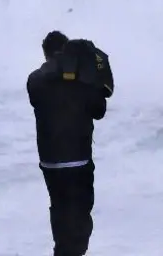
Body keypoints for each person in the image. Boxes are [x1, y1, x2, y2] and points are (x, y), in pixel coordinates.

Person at [27, 30, 109, 256]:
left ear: (45, 55)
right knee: (80, 214)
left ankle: (61, 251)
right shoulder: (82, 81)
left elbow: (39, 93)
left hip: (50, 162)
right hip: (78, 160)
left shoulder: (35, 80)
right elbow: (99, 110)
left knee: (59, 211)